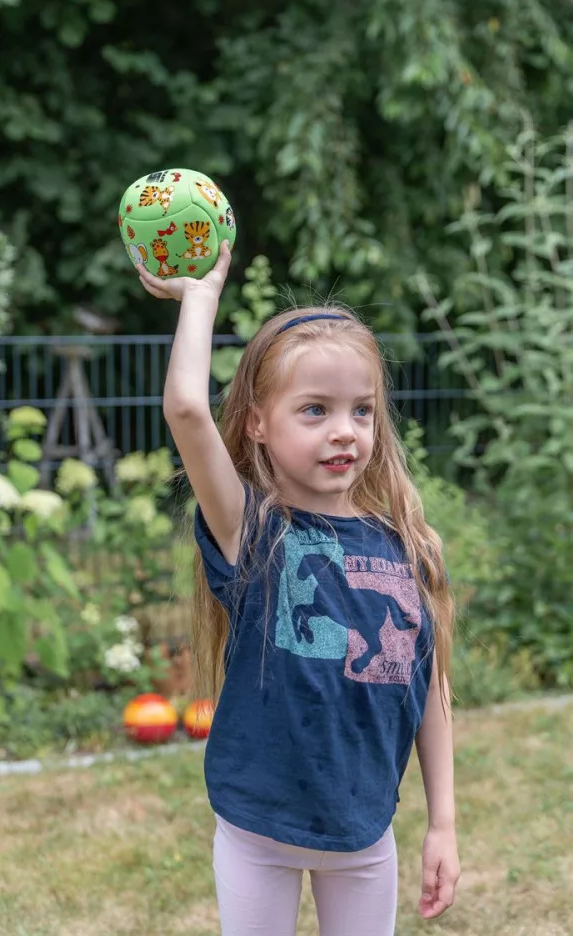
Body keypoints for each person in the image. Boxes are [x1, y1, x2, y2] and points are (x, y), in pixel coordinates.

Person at [135, 242, 460, 936]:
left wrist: (444, 824)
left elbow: (428, 688)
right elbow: (187, 410)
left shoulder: (408, 543)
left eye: (361, 411)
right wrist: (201, 297)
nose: (345, 431)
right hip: (257, 830)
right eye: (315, 410)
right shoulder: (251, 528)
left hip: (363, 834)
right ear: (258, 422)